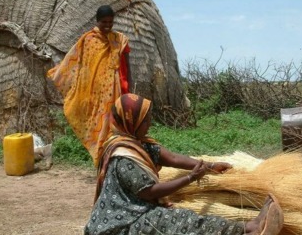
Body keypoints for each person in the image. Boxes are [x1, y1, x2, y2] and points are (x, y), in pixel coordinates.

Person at [84, 93, 284, 235]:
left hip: (137, 211)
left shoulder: (138, 144)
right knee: (185, 221)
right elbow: (150, 192)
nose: (150, 124)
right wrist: (190, 178)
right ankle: (250, 230)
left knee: (186, 219)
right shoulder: (123, 156)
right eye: (146, 120)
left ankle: (251, 227)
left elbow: (171, 158)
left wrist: (209, 166)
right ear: (131, 121)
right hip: (122, 224)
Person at [47, 5, 131, 167]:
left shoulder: (120, 40)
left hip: (119, 90)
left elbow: (127, 67)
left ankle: (115, 162)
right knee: (100, 128)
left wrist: (129, 88)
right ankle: (102, 160)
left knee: (118, 128)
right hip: (97, 95)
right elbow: (81, 65)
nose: (107, 25)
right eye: (104, 22)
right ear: (97, 21)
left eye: (110, 22)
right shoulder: (88, 40)